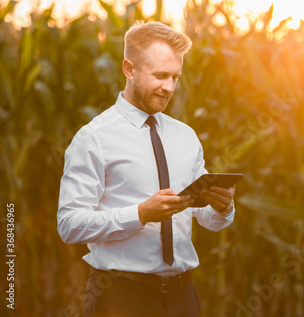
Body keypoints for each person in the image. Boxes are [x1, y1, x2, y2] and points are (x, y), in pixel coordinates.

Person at [57, 21, 236, 317]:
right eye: (160, 76)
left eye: (175, 77)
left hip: (183, 298)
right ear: (129, 69)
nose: (169, 87)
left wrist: (222, 207)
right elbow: (69, 224)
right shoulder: (94, 138)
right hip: (120, 297)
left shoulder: (186, 137)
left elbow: (206, 220)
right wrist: (139, 214)